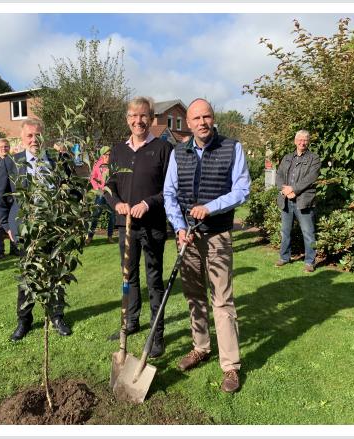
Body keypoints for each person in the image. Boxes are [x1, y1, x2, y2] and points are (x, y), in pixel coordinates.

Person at [163, 98, 250, 393]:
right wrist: (179, 226)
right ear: (188, 123)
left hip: (217, 235)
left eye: (207, 116)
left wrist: (211, 208)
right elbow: (169, 193)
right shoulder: (178, 153)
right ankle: (200, 347)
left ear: (213, 119)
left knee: (222, 300)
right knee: (194, 295)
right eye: (196, 118)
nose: (202, 122)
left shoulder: (231, 148)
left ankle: (231, 367)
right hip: (188, 237)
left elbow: (242, 190)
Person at [104, 97, 173, 358]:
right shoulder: (118, 151)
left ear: (152, 119)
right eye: (133, 116)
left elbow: (170, 190)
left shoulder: (163, 148)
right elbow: (108, 186)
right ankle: (130, 322)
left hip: (153, 226)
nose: (138, 121)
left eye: (143, 116)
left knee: (154, 280)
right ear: (127, 119)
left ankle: (157, 334)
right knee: (128, 277)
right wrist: (117, 203)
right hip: (127, 226)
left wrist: (148, 203)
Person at [10, 118, 73, 341]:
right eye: (29, 136)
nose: (34, 140)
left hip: (54, 228)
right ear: (22, 138)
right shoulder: (13, 162)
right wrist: (8, 225)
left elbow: (71, 189)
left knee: (56, 273)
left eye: (38, 135)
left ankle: (57, 317)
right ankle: (24, 321)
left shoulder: (56, 161)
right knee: (28, 275)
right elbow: (1, 197)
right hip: (27, 231)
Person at [274, 130, 321, 273]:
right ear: (295, 141)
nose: (302, 142)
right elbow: (279, 175)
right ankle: (284, 257)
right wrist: (285, 190)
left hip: (304, 201)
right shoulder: (287, 157)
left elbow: (311, 178)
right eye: (300, 139)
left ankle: (310, 261)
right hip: (286, 200)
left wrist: (293, 189)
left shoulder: (314, 158)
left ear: (309, 142)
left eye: (305, 140)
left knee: (308, 232)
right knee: (285, 231)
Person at [85, 152, 115, 245]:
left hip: (111, 193)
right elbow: (93, 177)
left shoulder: (113, 164)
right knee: (96, 214)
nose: (108, 156)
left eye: (109, 154)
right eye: (106, 154)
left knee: (112, 215)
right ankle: (90, 236)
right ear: (102, 155)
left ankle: (110, 236)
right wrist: (97, 188)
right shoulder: (98, 164)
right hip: (101, 193)